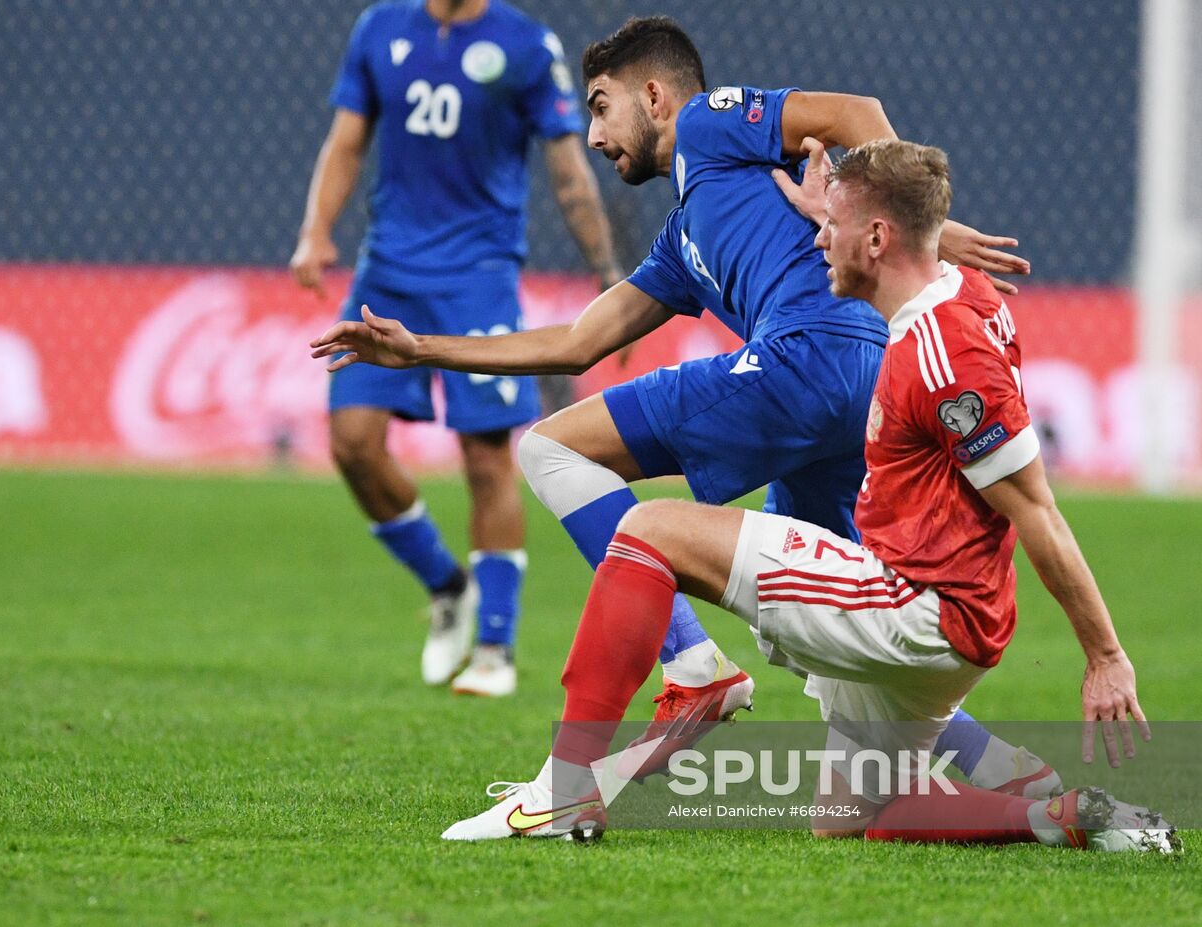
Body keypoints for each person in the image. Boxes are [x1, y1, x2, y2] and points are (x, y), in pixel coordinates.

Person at [311, 16, 1053, 795]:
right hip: (857, 390)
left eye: (601, 106)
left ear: (656, 95)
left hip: (804, 360)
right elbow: (576, 341)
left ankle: (693, 662)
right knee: (819, 634)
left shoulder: (709, 123)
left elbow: (855, 111)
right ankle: (1018, 779)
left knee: (549, 448)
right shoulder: (683, 236)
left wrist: (916, 229)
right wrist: (423, 349)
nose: (594, 135)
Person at [436, 137, 1177, 851]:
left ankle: (565, 790)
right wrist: (831, 202)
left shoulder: (946, 355)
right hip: (951, 626)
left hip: (914, 607)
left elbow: (1038, 511)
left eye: (835, 227)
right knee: (845, 818)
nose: (819, 241)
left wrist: (1106, 654)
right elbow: (891, 257)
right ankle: (1064, 814)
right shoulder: (959, 294)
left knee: (650, 532)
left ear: (880, 238)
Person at [292, 0, 626, 696]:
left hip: (479, 278)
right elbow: (346, 140)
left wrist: (607, 269)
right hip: (387, 270)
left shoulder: (526, 45)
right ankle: (447, 585)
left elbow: (568, 167)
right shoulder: (379, 28)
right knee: (352, 443)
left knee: (484, 456)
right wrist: (315, 229)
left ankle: (496, 649)